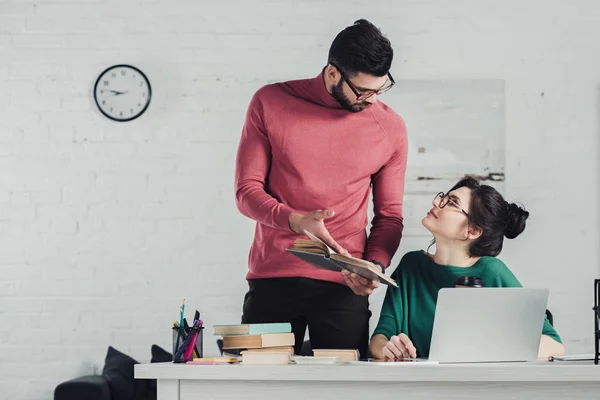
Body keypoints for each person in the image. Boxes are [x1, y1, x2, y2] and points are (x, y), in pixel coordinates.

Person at [234, 19, 408, 357]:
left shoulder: (391, 127)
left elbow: (389, 217)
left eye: (381, 89)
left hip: (344, 286)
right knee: (255, 389)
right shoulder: (270, 102)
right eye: (362, 91)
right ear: (332, 74)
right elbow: (246, 192)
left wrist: (375, 266)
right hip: (272, 278)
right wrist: (298, 222)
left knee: (342, 392)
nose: (371, 100)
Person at [369, 175, 565, 361]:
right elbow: (380, 337)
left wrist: (486, 348)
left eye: (452, 203)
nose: (437, 203)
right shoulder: (411, 266)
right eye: (444, 197)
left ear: (473, 230)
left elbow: (554, 344)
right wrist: (388, 349)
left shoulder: (492, 271)